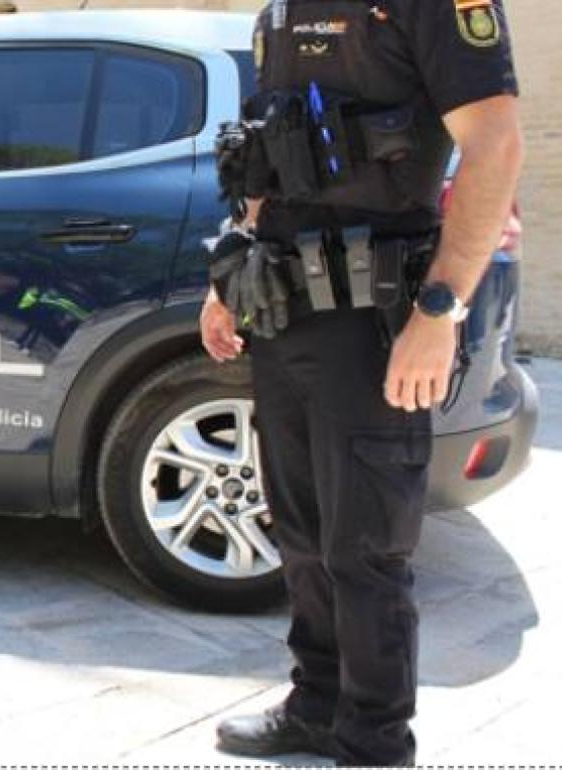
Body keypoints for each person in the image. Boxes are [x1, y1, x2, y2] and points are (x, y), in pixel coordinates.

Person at [201, 0, 522, 765]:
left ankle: (375, 741)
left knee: (366, 548)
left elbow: (496, 144)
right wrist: (229, 274)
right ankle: (316, 704)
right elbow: (269, 150)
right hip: (282, 307)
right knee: (302, 532)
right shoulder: (279, 12)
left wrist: (440, 311)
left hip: (376, 322)